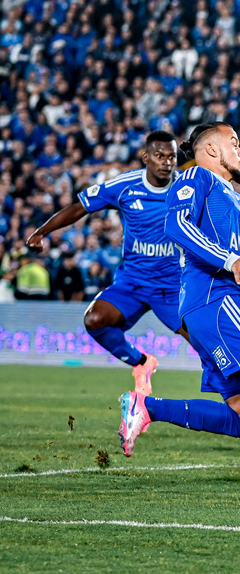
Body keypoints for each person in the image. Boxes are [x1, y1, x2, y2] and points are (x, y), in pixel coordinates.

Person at [118, 122, 240, 493]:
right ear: (211, 150)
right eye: (234, 143)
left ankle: (146, 407)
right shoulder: (196, 178)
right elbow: (176, 225)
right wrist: (228, 259)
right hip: (214, 299)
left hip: (234, 304)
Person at [25, 131, 181, 394]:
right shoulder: (125, 186)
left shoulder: (187, 188)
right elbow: (79, 207)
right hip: (132, 282)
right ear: (146, 157)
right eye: (159, 155)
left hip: (173, 286)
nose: (166, 162)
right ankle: (141, 363)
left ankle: (238, 400)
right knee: (95, 319)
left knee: (206, 343)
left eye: (171, 157)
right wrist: (41, 231)